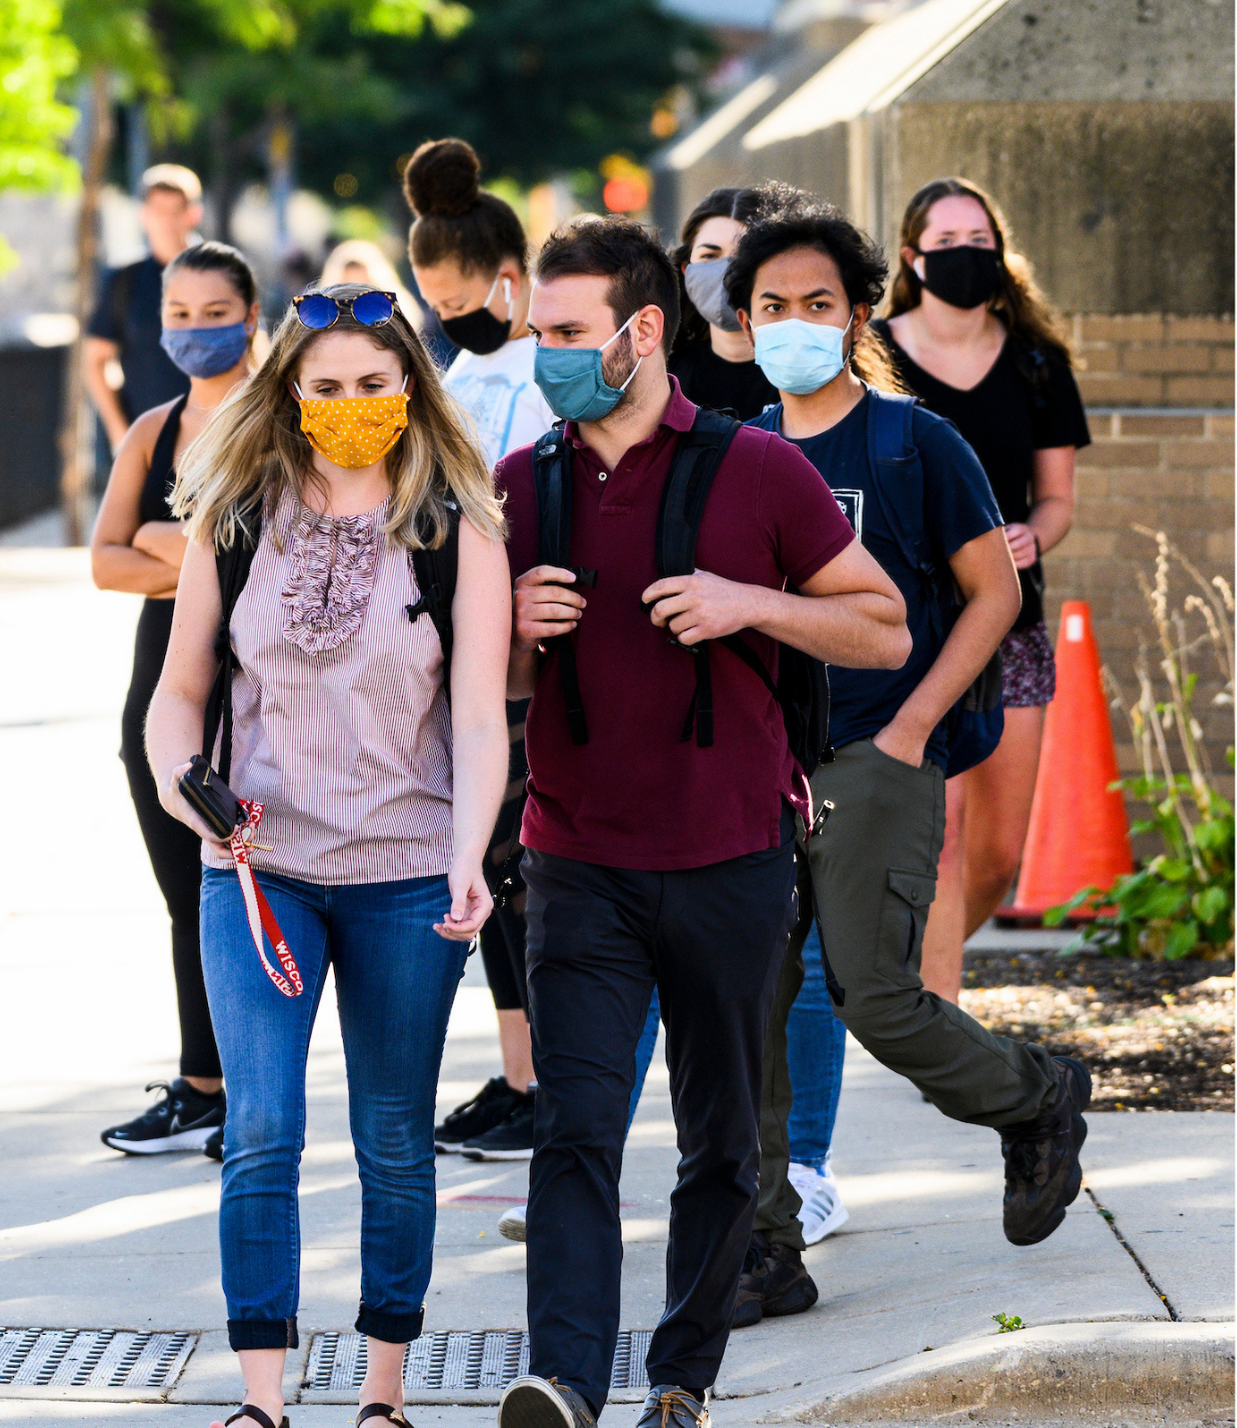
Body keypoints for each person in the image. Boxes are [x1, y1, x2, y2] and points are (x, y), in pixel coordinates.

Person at [491, 215, 911, 1428]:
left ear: (641, 331)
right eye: (537, 335)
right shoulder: (522, 487)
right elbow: (479, 696)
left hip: (730, 856)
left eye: (567, 335)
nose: (547, 358)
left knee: (720, 1142)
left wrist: (748, 602)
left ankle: (680, 1379)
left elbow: (880, 625)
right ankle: (563, 1382)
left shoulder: (757, 471)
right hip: (574, 862)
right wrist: (514, 625)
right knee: (573, 1130)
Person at [145, 282, 511, 1428]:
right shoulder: (236, 513)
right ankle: (262, 1398)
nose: (350, 403)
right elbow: (180, 691)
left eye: (372, 383)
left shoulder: (459, 525)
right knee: (258, 1132)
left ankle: (381, 1394)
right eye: (326, 387)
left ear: (408, 384)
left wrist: (470, 857)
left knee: (392, 1139)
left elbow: (481, 714)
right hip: (259, 868)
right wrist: (177, 786)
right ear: (290, 392)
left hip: (406, 871)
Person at [724, 197, 1092, 1329]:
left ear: (858, 310)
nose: (793, 322)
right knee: (744, 1003)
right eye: (770, 305)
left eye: (816, 303)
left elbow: (992, 594)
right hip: (754, 768)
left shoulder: (909, 441)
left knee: (875, 994)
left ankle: (1033, 1099)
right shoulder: (731, 450)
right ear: (741, 321)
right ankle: (763, 1248)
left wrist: (908, 731)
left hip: (874, 755)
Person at [872, 177, 1089, 1003]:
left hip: (1013, 629)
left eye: (978, 240)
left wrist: (1040, 532)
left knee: (998, 852)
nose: (964, 256)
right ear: (910, 256)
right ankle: (940, 1022)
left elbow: (1058, 498)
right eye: (946, 241)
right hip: (916, 630)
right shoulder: (874, 357)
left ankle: (898, 989)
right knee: (943, 836)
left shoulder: (1037, 362)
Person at [399, 136, 556, 1169]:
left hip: (534, 659)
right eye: (429, 298)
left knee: (517, 864)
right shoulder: (455, 376)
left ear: (506, 279)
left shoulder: (549, 372)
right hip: (468, 654)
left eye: (457, 296)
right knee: (489, 863)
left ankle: (541, 1076)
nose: (445, 314)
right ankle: (518, 1073)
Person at [92, 242, 260, 1156]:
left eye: (215, 313)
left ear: (252, 314)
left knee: (259, 896)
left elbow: (276, 559)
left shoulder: (288, 423)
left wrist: (164, 545)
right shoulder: (151, 430)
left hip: (267, 694)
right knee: (184, 896)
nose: (197, 332)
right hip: (161, 697)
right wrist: (190, 547)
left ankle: (257, 1095)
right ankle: (203, 1085)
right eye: (180, 316)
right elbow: (103, 560)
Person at [85, 164, 204, 456]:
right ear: (143, 215)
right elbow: (95, 360)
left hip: (213, 443)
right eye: (158, 210)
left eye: (175, 211)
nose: (166, 221)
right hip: (148, 446)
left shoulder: (220, 274)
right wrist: (120, 433)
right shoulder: (125, 280)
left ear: (193, 215)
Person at [667, 186, 782, 421]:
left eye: (744, 255)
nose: (726, 271)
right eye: (710, 256)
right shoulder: (664, 377)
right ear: (686, 271)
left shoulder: (805, 371)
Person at [321, 238, 426, 332]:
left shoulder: (398, 316)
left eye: (364, 290)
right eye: (345, 291)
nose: (354, 299)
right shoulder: (321, 320)